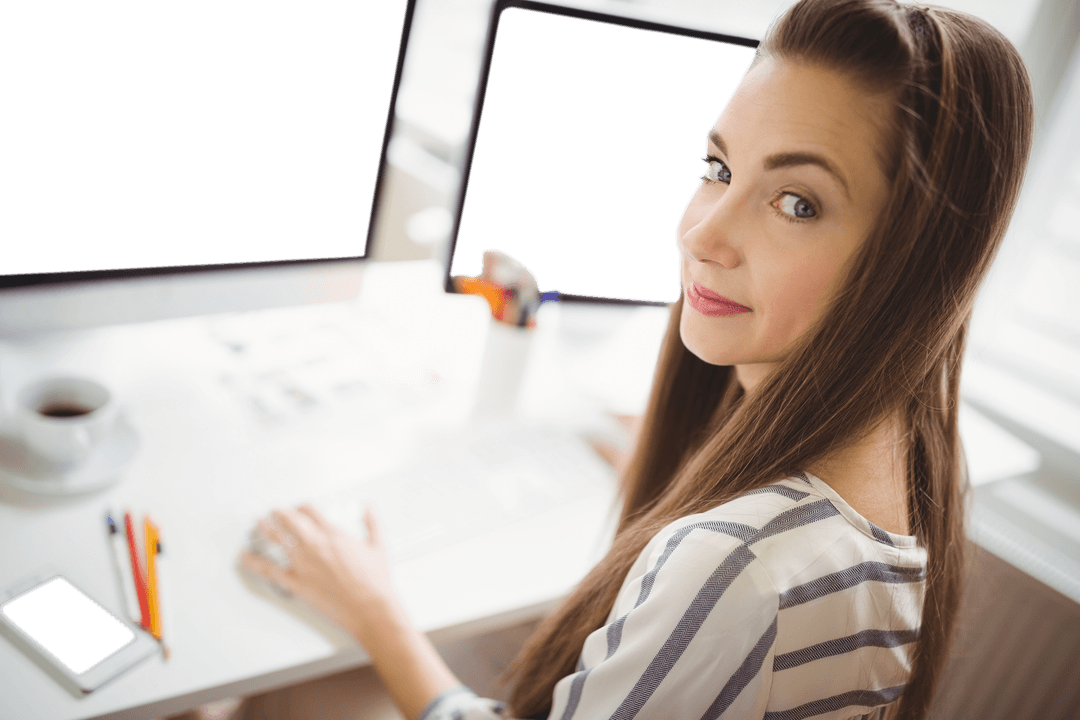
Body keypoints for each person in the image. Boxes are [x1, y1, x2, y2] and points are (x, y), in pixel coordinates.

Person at [176, 0, 1034, 718]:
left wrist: (376, 610)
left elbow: (740, 585)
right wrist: (691, 479)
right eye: (716, 166)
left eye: (796, 202)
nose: (702, 231)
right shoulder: (911, 458)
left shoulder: (735, 564)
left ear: (915, 260)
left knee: (281, 695)